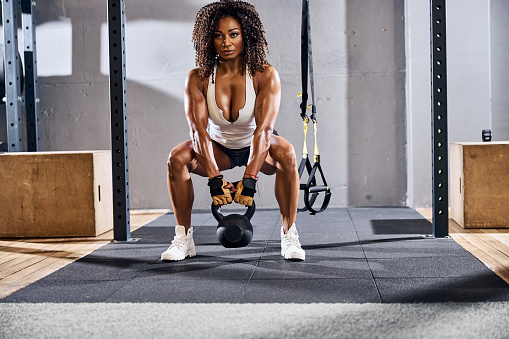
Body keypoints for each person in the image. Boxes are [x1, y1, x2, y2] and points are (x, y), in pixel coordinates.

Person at [161, 0, 305, 261]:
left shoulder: (264, 74)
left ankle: (289, 235)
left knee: (287, 152)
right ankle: (183, 239)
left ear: (245, 35)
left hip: (257, 149)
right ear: (209, 39)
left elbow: (264, 131)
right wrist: (216, 180)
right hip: (218, 150)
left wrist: (249, 180)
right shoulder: (199, 77)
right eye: (218, 35)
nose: (226, 42)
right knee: (177, 157)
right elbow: (198, 134)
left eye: (233, 34)